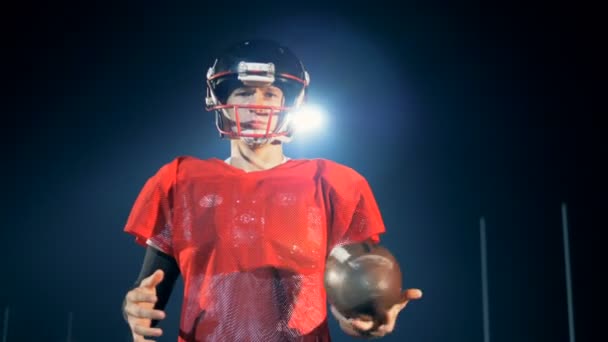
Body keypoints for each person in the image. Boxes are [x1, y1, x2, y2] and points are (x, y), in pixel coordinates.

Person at [121, 39, 422, 342]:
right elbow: (147, 292)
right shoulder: (179, 181)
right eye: (245, 92)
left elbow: (350, 296)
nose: (258, 104)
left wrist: (362, 318)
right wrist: (133, 309)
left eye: (269, 94)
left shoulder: (334, 184)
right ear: (221, 100)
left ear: (288, 103)